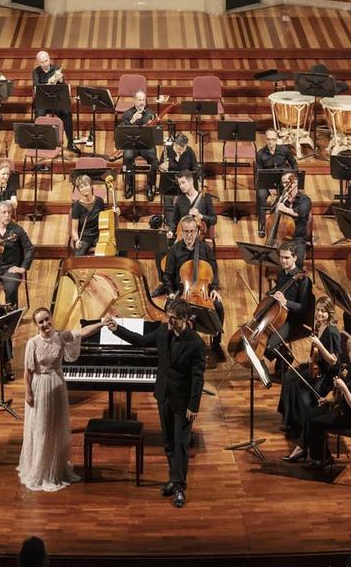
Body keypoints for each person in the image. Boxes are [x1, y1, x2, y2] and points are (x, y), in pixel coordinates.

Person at [103, 299, 205, 508]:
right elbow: (140, 341)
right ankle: (173, 479)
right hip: (163, 396)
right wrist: (117, 329)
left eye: (173, 318)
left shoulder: (196, 343)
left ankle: (179, 487)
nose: (169, 320)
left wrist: (194, 405)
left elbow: (198, 377)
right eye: (168, 316)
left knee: (181, 445)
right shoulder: (163, 332)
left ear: (184, 319)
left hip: (183, 401)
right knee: (168, 443)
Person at [18, 307, 106, 491]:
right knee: (41, 427)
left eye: (47, 319)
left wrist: (102, 323)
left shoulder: (60, 336)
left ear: (52, 318)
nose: (45, 324)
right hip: (39, 386)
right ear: (36, 325)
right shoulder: (32, 343)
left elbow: (81, 332)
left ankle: (56, 469)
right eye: (41, 322)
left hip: (57, 385)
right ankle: (40, 469)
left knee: (56, 427)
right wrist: (28, 392)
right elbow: (27, 371)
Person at [286, 333, 351, 468]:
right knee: (311, 412)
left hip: (350, 417)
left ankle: (320, 458)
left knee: (316, 422)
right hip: (342, 408)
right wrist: (330, 402)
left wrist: (343, 387)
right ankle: (306, 450)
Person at [158, 216, 226, 361]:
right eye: (186, 231)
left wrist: (214, 289)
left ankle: (216, 344)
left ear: (197, 231)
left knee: (218, 307)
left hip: (203, 292)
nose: (189, 235)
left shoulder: (205, 248)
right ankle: (172, 344)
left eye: (192, 231)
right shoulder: (175, 250)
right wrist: (170, 293)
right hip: (182, 292)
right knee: (168, 308)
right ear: (181, 232)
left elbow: (214, 270)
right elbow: (167, 276)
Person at [277, 296, 341, 435]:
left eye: (323, 311)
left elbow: (333, 361)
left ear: (330, 312)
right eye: (318, 310)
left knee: (296, 383)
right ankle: (289, 419)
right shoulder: (319, 326)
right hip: (316, 366)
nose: (319, 313)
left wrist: (319, 344)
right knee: (288, 376)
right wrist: (307, 362)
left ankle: (301, 425)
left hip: (326, 375)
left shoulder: (331, 331)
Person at [263, 242, 314, 375]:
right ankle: (281, 366)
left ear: (295, 258)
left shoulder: (303, 281)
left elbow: (303, 308)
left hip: (295, 320)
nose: (283, 261)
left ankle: (286, 359)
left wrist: (286, 302)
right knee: (261, 340)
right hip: (279, 317)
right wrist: (271, 293)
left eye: (287, 258)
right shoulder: (281, 274)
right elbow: (280, 289)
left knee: (268, 346)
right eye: (281, 257)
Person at [0, 200, 34, 310]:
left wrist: (23, 268)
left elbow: (30, 248)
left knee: (11, 288)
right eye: (4, 212)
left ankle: (11, 315)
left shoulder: (17, 230)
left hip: (10, 268)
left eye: (9, 212)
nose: (7, 215)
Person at [32, 50, 78, 153]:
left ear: (49, 59)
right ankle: (41, 142)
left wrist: (61, 80)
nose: (45, 64)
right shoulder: (36, 72)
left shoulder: (56, 69)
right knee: (39, 115)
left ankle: (70, 142)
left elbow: (63, 88)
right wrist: (49, 83)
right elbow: (36, 87)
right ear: (38, 62)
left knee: (67, 113)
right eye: (42, 62)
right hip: (43, 101)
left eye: (46, 60)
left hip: (56, 100)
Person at [254, 129, 297, 237]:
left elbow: (294, 164)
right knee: (261, 196)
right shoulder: (260, 153)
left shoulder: (284, 150)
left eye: (273, 139)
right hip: (266, 182)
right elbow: (259, 173)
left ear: (276, 139)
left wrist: (292, 178)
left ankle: (287, 222)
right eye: (269, 139)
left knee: (292, 195)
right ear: (265, 139)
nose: (271, 142)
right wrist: (269, 188)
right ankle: (263, 226)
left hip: (282, 181)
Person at [265, 171, 312, 266]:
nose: (285, 185)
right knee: (267, 257)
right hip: (280, 239)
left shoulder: (305, 200)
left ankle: (294, 279)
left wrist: (285, 209)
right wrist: (279, 202)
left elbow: (301, 213)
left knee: (296, 261)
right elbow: (272, 214)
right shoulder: (282, 198)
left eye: (287, 182)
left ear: (295, 182)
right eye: (284, 183)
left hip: (297, 239)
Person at [119, 90, 159, 200]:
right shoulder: (127, 114)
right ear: (134, 100)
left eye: (143, 100)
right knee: (127, 157)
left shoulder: (151, 114)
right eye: (139, 100)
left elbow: (156, 132)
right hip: (132, 145)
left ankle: (150, 186)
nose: (141, 102)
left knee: (153, 158)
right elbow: (121, 130)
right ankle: (130, 186)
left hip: (146, 145)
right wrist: (132, 121)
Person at [166, 172, 216, 239]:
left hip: (199, 238)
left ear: (191, 181)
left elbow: (214, 219)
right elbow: (174, 221)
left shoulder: (205, 198)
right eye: (180, 184)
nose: (181, 186)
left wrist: (200, 216)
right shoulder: (179, 200)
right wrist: (171, 232)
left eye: (183, 182)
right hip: (183, 238)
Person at [69, 174, 108, 256]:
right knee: (79, 253)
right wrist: (77, 240)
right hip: (85, 237)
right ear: (79, 190)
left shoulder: (99, 201)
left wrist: (115, 212)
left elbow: (105, 218)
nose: (84, 189)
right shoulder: (76, 206)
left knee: (112, 250)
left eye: (86, 185)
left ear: (91, 186)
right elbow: (74, 230)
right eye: (81, 187)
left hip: (99, 235)